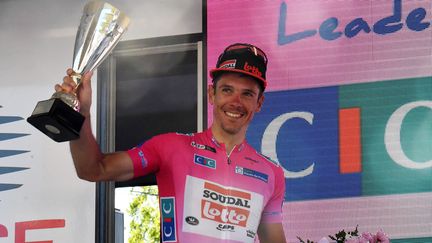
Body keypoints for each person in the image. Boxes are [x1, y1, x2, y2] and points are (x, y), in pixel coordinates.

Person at [57, 43, 287, 243]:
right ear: (211, 94)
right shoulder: (171, 147)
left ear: (259, 103)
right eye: (227, 90)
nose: (236, 102)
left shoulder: (271, 173)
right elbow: (93, 169)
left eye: (247, 94)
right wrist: (82, 113)